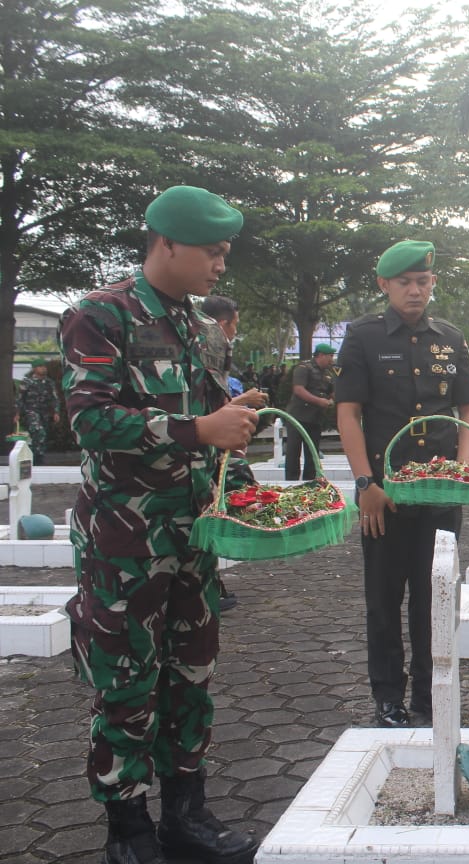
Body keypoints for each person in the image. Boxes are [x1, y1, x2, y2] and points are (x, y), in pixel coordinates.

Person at [60, 185, 260, 864]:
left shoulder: (200, 326)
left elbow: (206, 416)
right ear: (164, 242)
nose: (219, 265)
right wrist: (196, 427)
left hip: (191, 536)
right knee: (127, 682)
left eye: (224, 252)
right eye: (211, 251)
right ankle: (129, 828)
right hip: (125, 542)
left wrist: (231, 424)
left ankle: (186, 813)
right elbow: (87, 420)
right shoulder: (99, 315)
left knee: (191, 673)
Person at [336, 239, 469, 728]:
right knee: (383, 598)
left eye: (422, 281)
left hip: (441, 493)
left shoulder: (451, 338)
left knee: (435, 595)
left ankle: (429, 691)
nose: (415, 290)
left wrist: (460, 470)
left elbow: (467, 411)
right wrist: (364, 482)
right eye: (404, 283)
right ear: (385, 285)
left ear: (433, 282)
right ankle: (387, 697)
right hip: (386, 496)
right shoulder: (362, 337)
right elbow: (349, 413)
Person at [200, 294, 269, 613]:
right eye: (235, 325)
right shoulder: (202, 349)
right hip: (205, 450)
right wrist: (244, 402)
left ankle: (211, 584)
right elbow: (204, 411)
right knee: (227, 500)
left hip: (214, 447)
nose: (233, 331)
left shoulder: (213, 350)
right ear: (224, 323)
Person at [283, 343, 335, 480]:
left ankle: (311, 480)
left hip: (315, 417)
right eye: (330, 356)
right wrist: (319, 401)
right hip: (298, 416)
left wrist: (334, 401)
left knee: (312, 452)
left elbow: (332, 392)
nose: (332, 359)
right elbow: (299, 389)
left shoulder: (328, 373)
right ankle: (291, 481)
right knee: (293, 450)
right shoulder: (304, 368)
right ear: (321, 355)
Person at [16, 360, 60, 465]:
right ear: (34, 369)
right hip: (31, 412)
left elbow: (55, 398)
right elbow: (20, 399)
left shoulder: (49, 383)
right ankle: (38, 458)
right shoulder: (27, 382)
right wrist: (17, 413)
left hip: (44, 413)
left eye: (44, 366)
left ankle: (36, 456)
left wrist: (56, 412)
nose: (43, 368)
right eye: (40, 366)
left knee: (41, 437)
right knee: (39, 431)